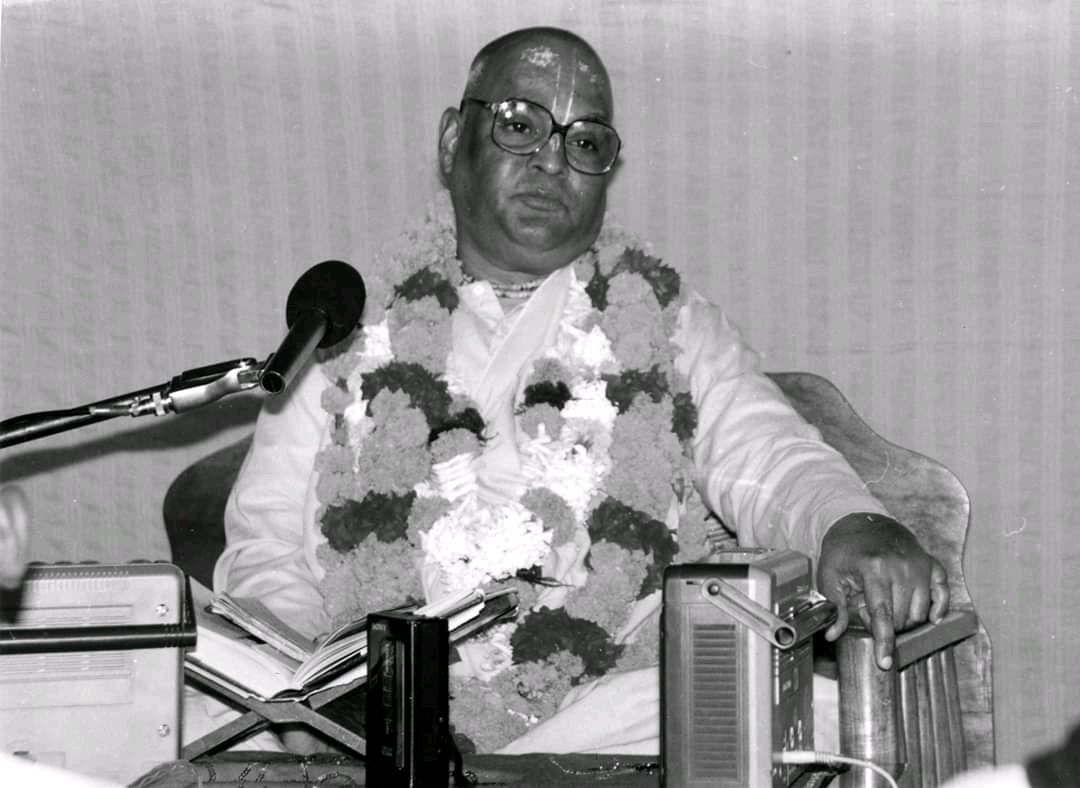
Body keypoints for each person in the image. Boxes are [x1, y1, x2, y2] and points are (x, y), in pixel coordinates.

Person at [205, 26, 948, 754]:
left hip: (591, 715)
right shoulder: (347, 321)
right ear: (451, 142)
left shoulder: (665, 320)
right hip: (369, 722)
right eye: (519, 125)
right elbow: (268, 544)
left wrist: (848, 522)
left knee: (784, 712)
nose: (552, 160)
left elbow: (767, 456)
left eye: (585, 142)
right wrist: (316, 689)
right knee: (183, 705)